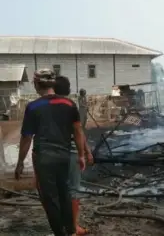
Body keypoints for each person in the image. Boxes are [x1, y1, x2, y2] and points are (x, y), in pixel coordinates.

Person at [15, 68, 86, 236]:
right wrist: (82, 155)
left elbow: (26, 138)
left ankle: (59, 233)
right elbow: (78, 132)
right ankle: (70, 230)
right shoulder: (69, 104)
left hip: (43, 159)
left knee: (50, 199)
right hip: (64, 156)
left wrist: (20, 163)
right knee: (64, 193)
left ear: (37, 84)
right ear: (53, 83)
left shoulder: (33, 107)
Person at [54, 76, 94, 235]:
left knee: (57, 190)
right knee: (73, 190)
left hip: (51, 154)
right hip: (70, 153)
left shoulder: (43, 106)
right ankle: (73, 227)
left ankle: (61, 226)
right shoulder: (70, 106)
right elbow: (78, 131)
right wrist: (85, 153)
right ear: (69, 89)